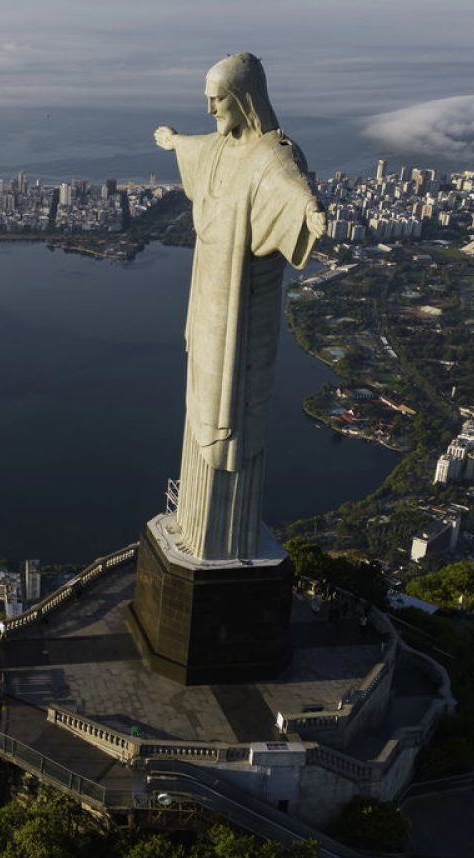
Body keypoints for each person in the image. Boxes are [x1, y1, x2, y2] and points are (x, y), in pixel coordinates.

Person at [154, 53, 326, 560]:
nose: (210, 109)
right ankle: (193, 525)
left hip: (241, 304)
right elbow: (199, 148)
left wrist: (311, 213)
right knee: (202, 397)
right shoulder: (222, 147)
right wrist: (173, 141)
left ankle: (224, 541)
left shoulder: (272, 157)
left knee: (233, 405)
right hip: (209, 291)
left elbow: (291, 188)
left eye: (218, 99)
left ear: (244, 100)